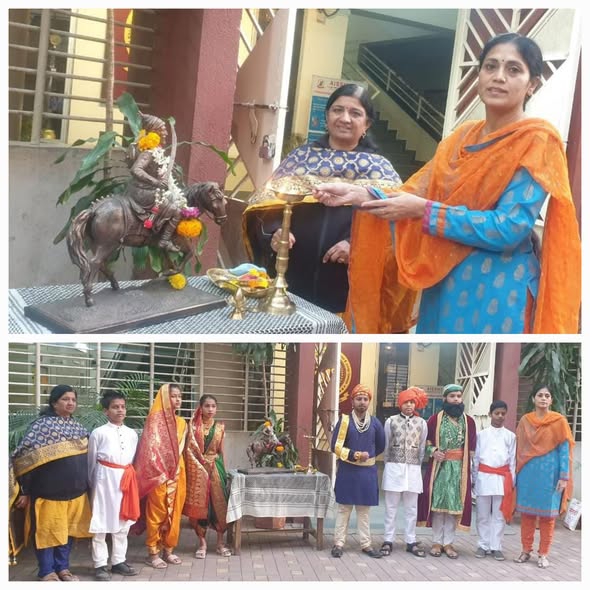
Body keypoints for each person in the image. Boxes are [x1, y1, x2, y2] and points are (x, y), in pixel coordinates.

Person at [314, 32, 581, 334]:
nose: (499, 76)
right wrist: (358, 194)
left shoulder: (536, 140)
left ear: (532, 84)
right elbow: (414, 191)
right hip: (443, 283)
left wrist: (425, 211)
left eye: (513, 69)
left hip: (500, 291)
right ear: (479, 75)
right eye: (490, 66)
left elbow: (509, 227)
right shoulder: (461, 138)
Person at [243, 84, 415, 326]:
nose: (345, 118)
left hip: (348, 286)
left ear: (367, 124)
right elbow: (262, 208)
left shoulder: (381, 170)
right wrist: (275, 233)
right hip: (293, 280)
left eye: (355, 113)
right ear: (326, 116)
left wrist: (355, 245)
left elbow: (398, 227)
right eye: (338, 110)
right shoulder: (300, 159)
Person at [11, 384, 92, 581]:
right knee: (46, 532)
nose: (70, 403)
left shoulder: (79, 428)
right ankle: (46, 571)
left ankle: (63, 568)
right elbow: (23, 460)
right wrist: (24, 490)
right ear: (54, 402)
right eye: (65, 399)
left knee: (68, 531)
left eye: (73, 399)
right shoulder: (41, 427)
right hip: (48, 493)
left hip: (76, 493)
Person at [513, 386, 574, 569]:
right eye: (540, 395)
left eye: (547, 396)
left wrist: (564, 476)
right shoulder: (525, 421)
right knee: (527, 514)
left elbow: (564, 450)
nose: (543, 398)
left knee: (548, 516)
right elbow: (519, 448)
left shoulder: (559, 421)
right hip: (527, 473)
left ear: (551, 400)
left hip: (550, 476)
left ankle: (543, 554)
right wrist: (515, 472)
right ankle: (525, 550)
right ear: (533, 399)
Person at [417, 383, 476, 559]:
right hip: (440, 468)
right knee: (438, 506)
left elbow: (472, 448)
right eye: (452, 396)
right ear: (445, 399)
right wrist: (434, 451)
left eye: (458, 396)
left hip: (459, 470)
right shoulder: (434, 420)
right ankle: (436, 542)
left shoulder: (469, 422)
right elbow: (426, 443)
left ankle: (448, 543)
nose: (456, 399)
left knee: (452, 508)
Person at [134, 383, 187, 569]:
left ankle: (168, 550)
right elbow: (148, 450)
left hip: (178, 472)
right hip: (159, 474)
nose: (177, 399)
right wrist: (161, 471)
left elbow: (182, 450)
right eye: (173, 396)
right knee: (157, 511)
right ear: (164, 398)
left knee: (175, 512)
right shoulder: (154, 421)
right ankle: (153, 552)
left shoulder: (182, 423)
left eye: (179, 396)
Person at [88, 390, 140, 580]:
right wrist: (93, 484)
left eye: (123, 407)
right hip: (104, 480)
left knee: (122, 522)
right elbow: (91, 462)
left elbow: (132, 458)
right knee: (101, 522)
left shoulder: (132, 434)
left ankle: (118, 561)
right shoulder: (98, 433)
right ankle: (100, 564)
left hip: (125, 479)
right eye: (115, 407)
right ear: (106, 411)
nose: (120, 410)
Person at [330, 383, 385, 558]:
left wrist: (368, 456)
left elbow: (381, 445)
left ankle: (366, 544)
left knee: (364, 511)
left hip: (367, 473)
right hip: (348, 471)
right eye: (359, 399)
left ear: (369, 402)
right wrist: (354, 455)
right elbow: (335, 446)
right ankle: (338, 543)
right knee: (344, 509)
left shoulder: (375, 423)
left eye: (365, 399)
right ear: (352, 401)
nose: (362, 402)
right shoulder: (345, 421)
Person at [380, 386, 428, 558]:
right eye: (406, 402)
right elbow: (386, 445)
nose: (409, 405)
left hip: (413, 470)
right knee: (391, 507)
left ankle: (411, 540)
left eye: (412, 402)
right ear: (400, 404)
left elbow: (422, 447)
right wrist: (389, 464)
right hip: (394, 467)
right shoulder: (391, 421)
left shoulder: (422, 423)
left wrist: (415, 463)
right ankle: (388, 540)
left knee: (412, 508)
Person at [126, 113, 184, 252]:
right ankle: (163, 241)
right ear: (154, 132)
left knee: (176, 201)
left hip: (149, 189)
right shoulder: (149, 152)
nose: (165, 133)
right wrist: (156, 182)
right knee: (176, 210)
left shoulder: (156, 150)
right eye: (162, 130)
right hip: (142, 191)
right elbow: (136, 170)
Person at [183, 394, 232, 558]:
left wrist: (224, 472)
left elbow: (221, 452)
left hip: (216, 468)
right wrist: (199, 464)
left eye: (213, 406)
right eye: (207, 406)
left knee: (219, 506)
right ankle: (202, 544)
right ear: (200, 407)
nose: (210, 409)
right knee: (200, 508)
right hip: (198, 469)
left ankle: (220, 543)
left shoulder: (220, 427)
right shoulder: (192, 427)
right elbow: (188, 451)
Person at [472, 400, 516, 561]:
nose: (500, 416)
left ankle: (496, 546)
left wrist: (512, 481)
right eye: (497, 413)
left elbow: (512, 461)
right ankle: (483, 544)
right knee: (482, 515)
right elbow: (476, 458)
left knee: (499, 516)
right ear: (490, 414)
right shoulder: (481, 435)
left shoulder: (511, 436)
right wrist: (474, 478)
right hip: (483, 477)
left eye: (503, 413)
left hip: (502, 479)